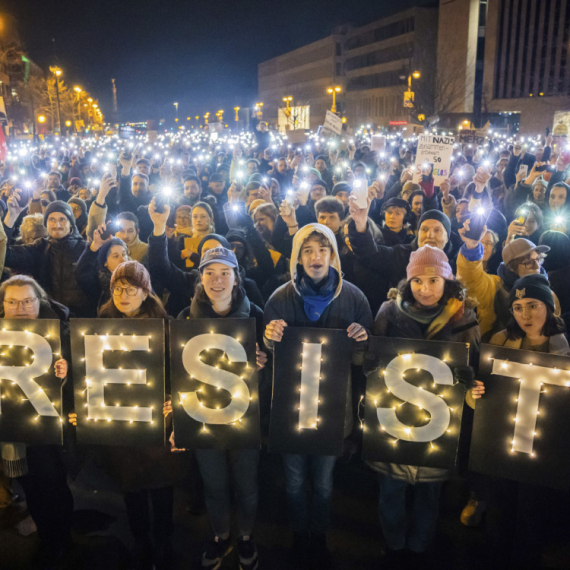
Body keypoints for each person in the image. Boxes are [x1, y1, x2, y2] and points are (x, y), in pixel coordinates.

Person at [264, 223, 372, 568]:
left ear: (333, 256)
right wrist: (269, 338)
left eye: (322, 250)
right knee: (295, 481)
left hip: (332, 410)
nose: (315, 257)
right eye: (308, 250)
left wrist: (360, 342)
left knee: (324, 483)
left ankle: (320, 533)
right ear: (298, 257)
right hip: (291, 409)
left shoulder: (353, 297)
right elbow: (270, 359)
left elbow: (363, 362)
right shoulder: (279, 298)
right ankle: (299, 532)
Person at [371, 245, 481, 563]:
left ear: (448, 281)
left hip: (438, 428)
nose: (425, 289)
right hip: (393, 422)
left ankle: (420, 547)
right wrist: (367, 360)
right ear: (408, 283)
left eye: (434, 280)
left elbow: (475, 366)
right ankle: (393, 547)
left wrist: (467, 376)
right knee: (390, 493)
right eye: (418, 281)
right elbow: (372, 356)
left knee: (428, 495)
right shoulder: (389, 312)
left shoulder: (465, 319)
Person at [70, 261, 178, 570]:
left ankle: (164, 542)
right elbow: (90, 371)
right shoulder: (100, 325)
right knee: (131, 484)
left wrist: (173, 398)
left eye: (131, 289)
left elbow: (178, 372)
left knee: (160, 484)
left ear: (146, 293)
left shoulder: (166, 326)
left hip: (157, 419)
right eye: (118, 289)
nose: (123, 295)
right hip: (120, 420)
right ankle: (141, 542)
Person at [166, 247, 268, 570]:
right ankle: (221, 535)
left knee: (246, 482)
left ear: (237, 278)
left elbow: (277, 376)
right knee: (214, 483)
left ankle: (247, 536)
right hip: (203, 417)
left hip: (244, 418)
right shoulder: (185, 318)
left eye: (225, 272)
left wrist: (264, 364)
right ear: (200, 278)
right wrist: (176, 420)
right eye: (209, 272)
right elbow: (176, 370)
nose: (217, 280)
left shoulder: (258, 316)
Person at [0, 275, 73, 569]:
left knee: (53, 485)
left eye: (28, 301)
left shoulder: (59, 331)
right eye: (13, 302)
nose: (21, 308)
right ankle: (48, 537)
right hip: (12, 429)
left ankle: (61, 540)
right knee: (32, 488)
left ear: (39, 301)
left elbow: (84, 373)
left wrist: (67, 370)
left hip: (47, 426)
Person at [3, 195, 96, 317]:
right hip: (49, 319)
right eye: (51, 219)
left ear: (71, 223)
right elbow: (6, 256)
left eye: (62, 219)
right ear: (46, 223)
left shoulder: (86, 249)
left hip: (83, 320)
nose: (57, 224)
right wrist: (12, 216)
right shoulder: (39, 248)